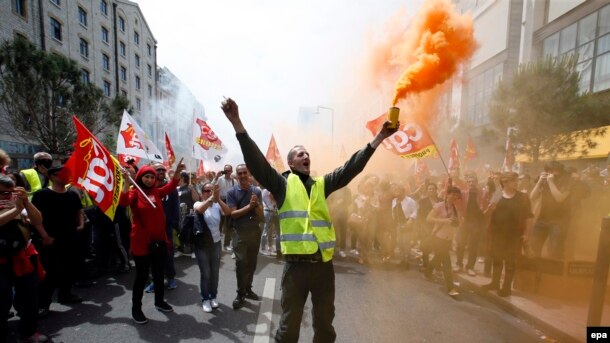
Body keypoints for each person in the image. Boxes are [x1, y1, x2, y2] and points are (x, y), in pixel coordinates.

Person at [221, 97, 398, 342]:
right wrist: (237, 123)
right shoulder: (281, 185)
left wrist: (378, 139)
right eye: (300, 154)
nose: (306, 156)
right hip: (296, 268)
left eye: (308, 154)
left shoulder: (321, 185)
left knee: (325, 324)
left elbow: (350, 168)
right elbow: (257, 163)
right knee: (289, 325)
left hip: (324, 268)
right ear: (291, 162)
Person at [119, 160, 185, 325]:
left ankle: (159, 301)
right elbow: (123, 201)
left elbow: (171, 185)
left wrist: (176, 172)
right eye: (146, 176)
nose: (149, 180)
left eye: (151, 177)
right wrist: (127, 181)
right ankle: (136, 309)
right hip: (141, 243)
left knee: (158, 274)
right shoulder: (135, 193)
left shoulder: (156, 192)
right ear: (140, 177)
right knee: (141, 277)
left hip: (159, 241)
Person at [31, 165, 85, 318]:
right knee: (49, 272)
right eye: (63, 173)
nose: (67, 176)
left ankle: (65, 294)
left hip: (70, 238)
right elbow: (35, 218)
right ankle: (43, 304)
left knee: (69, 267)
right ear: (53, 176)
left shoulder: (72, 195)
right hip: (50, 240)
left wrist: (80, 224)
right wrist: (45, 236)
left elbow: (78, 211)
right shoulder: (42, 195)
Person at [0, 175, 48, 343]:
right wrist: (15, 210)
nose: (7, 196)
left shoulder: (18, 203)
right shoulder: (13, 207)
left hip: (22, 257)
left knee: (30, 296)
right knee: (2, 299)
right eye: (2, 193)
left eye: (11, 192)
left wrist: (26, 203)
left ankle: (28, 332)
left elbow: (37, 220)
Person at [482, 172, 533, 297]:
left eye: (516, 180)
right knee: (497, 260)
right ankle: (495, 283)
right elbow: (486, 215)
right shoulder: (497, 195)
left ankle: (506, 287)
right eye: (513, 181)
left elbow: (529, 217)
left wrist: (527, 234)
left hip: (514, 235)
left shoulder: (523, 197)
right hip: (497, 234)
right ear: (504, 183)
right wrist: (489, 209)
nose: (517, 183)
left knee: (510, 262)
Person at [226, 164, 264, 310]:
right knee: (241, 264)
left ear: (249, 174)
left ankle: (248, 289)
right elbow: (233, 214)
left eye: (244, 173)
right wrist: (249, 206)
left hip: (254, 231)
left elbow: (261, 216)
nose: (242, 175)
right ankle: (240, 294)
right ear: (236, 175)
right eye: (239, 173)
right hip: (240, 232)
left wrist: (256, 206)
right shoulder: (231, 192)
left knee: (252, 263)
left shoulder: (256, 191)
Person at [192, 182, 230, 313]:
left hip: (216, 243)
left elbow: (228, 212)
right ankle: (205, 299)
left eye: (211, 190)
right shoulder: (198, 203)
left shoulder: (217, 205)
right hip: (202, 244)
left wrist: (218, 198)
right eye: (206, 191)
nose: (209, 192)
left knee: (215, 272)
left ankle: (213, 296)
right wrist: (210, 198)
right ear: (202, 194)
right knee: (206, 273)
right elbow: (199, 210)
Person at [529, 161, 571, 259]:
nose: (550, 174)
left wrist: (551, 182)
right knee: (534, 246)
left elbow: (559, 198)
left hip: (558, 221)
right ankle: (536, 270)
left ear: (560, 171)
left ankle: (554, 272)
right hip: (541, 219)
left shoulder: (567, 181)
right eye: (548, 171)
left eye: (553, 171)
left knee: (555, 249)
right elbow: (532, 197)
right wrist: (539, 181)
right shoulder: (544, 181)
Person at [425, 186, 462, 297]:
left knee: (438, 258)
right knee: (446, 262)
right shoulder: (439, 206)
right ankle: (450, 288)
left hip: (448, 239)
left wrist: (456, 223)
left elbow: (456, 224)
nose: (454, 197)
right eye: (452, 194)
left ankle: (428, 271)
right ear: (447, 194)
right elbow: (428, 218)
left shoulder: (455, 208)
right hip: (438, 238)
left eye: (456, 195)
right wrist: (444, 220)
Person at [455, 172, 489, 276]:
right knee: (460, 244)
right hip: (464, 221)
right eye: (469, 182)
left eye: (473, 181)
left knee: (473, 246)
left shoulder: (482, 193)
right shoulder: (462, 193)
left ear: (477, 182)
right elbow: (457, 204)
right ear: (467, 183)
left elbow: (486, 206)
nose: (471, 183)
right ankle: (459, 264)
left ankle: (470, 267)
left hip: (476, 223)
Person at [217, 165, 235, 251]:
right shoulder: (220, 179)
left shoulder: (234, 181)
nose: (227, 172)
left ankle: (226, 244)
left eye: (228, 170)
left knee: (228, 225)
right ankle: (216, 244)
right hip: (221, 201)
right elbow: (213, 187)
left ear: (231, 171)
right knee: (218, 224)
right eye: (225, 170)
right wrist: (216, 177)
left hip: (230, 202)